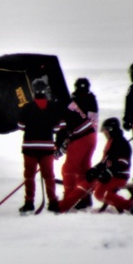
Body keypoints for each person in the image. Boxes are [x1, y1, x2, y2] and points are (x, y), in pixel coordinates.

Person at [61, 117, 133, 214]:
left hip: (118, 177)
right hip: (107, 175)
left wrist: (108, 172)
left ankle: (128, 205)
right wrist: (95, 170)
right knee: (83, 185)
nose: (104, 133)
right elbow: (104, 162)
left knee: (100, 193)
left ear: (110, 130)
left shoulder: (121, 143)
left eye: (105, 130)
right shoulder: (111, 141)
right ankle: (63, 206)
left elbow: (123, 164)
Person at [16, 79, 63, 213]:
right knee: (49, 176)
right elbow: (58, 127)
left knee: (29, 176)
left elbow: (20, 126)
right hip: (47, 147)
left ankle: (29, 202)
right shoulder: (53, 107)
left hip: (29, 147)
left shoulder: (27, 107)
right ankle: (53, 202)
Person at [54, 78, 99, 210]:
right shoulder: (84, 99)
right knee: (83, 169)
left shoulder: (63, 103)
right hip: (90, 136)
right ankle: (85, 198)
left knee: (68, 169)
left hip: (82, 137)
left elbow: (62, 128)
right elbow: (93, 119)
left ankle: (69, 199)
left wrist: (58, 147)